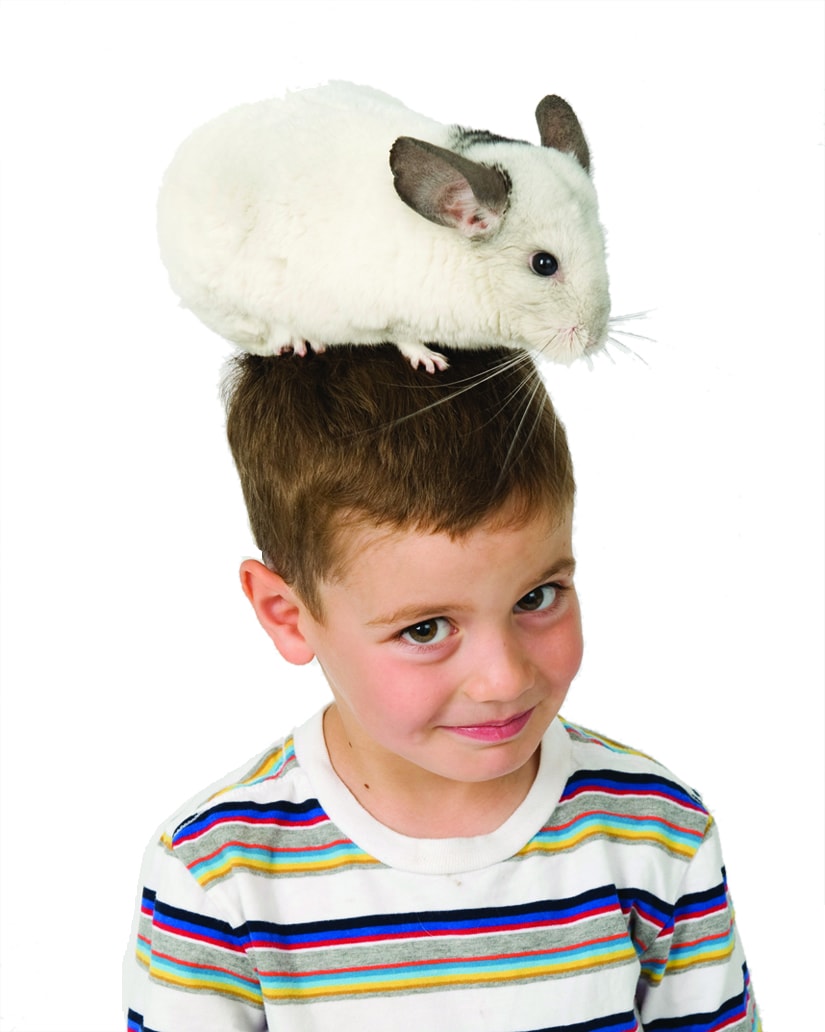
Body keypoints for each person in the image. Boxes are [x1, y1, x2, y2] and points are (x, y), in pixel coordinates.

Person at [123, 344, 760, 1031]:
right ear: (288, 615)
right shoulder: (219, 876)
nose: (503, 679)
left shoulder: (656, 831)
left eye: (536, 596)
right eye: (426, 630)